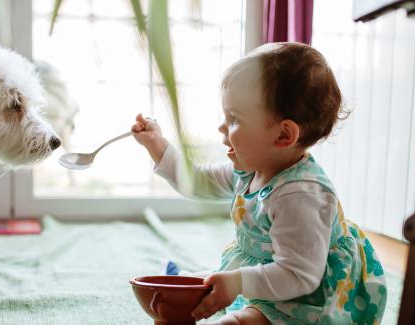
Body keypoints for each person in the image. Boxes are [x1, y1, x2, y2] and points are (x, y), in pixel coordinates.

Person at [131, 42, 387, 324]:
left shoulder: (300, 195)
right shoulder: (252, 170)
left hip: (308, 299)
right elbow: (199, 181)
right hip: (268, 278)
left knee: (236, 321)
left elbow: (298, 276)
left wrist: (238, 283)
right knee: (200, 285)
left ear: (283, 135)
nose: (221, 128)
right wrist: (157, 146)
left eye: (234, 119)